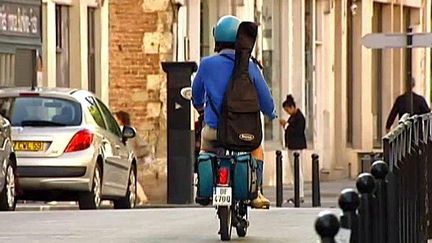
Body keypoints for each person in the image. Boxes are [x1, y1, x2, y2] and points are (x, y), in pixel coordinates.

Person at [192, 15, 277, 209]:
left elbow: (196, 94)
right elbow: (265, 98)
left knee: (205, 149)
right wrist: (270, 112)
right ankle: (257, 192)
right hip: (243, 133)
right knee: (256, 149)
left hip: (214, 130)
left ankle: (204, 187)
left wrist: (200, 108)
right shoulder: (249, 66)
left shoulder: (206, 64)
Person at [114, 111, 150, 205]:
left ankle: (143, 198)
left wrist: (137, 154)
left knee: (131, 179)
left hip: (127, 157)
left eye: (116, 118)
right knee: (130, 179)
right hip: (124, 156)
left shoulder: (127, 131)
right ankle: (143, 198)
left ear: (121, 120)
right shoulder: (120, 130)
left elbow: (140, 145)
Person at [279, 95, 307, 204]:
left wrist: (286, 125)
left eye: (287, 110)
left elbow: (296, 131)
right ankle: (297, 193)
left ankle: (300, 194)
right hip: (292, 146)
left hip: (297, 147)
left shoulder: (299, 118)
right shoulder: (293, 117)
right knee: (293, 171)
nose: (287, 112)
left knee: (297, 171)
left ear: (292, 107)